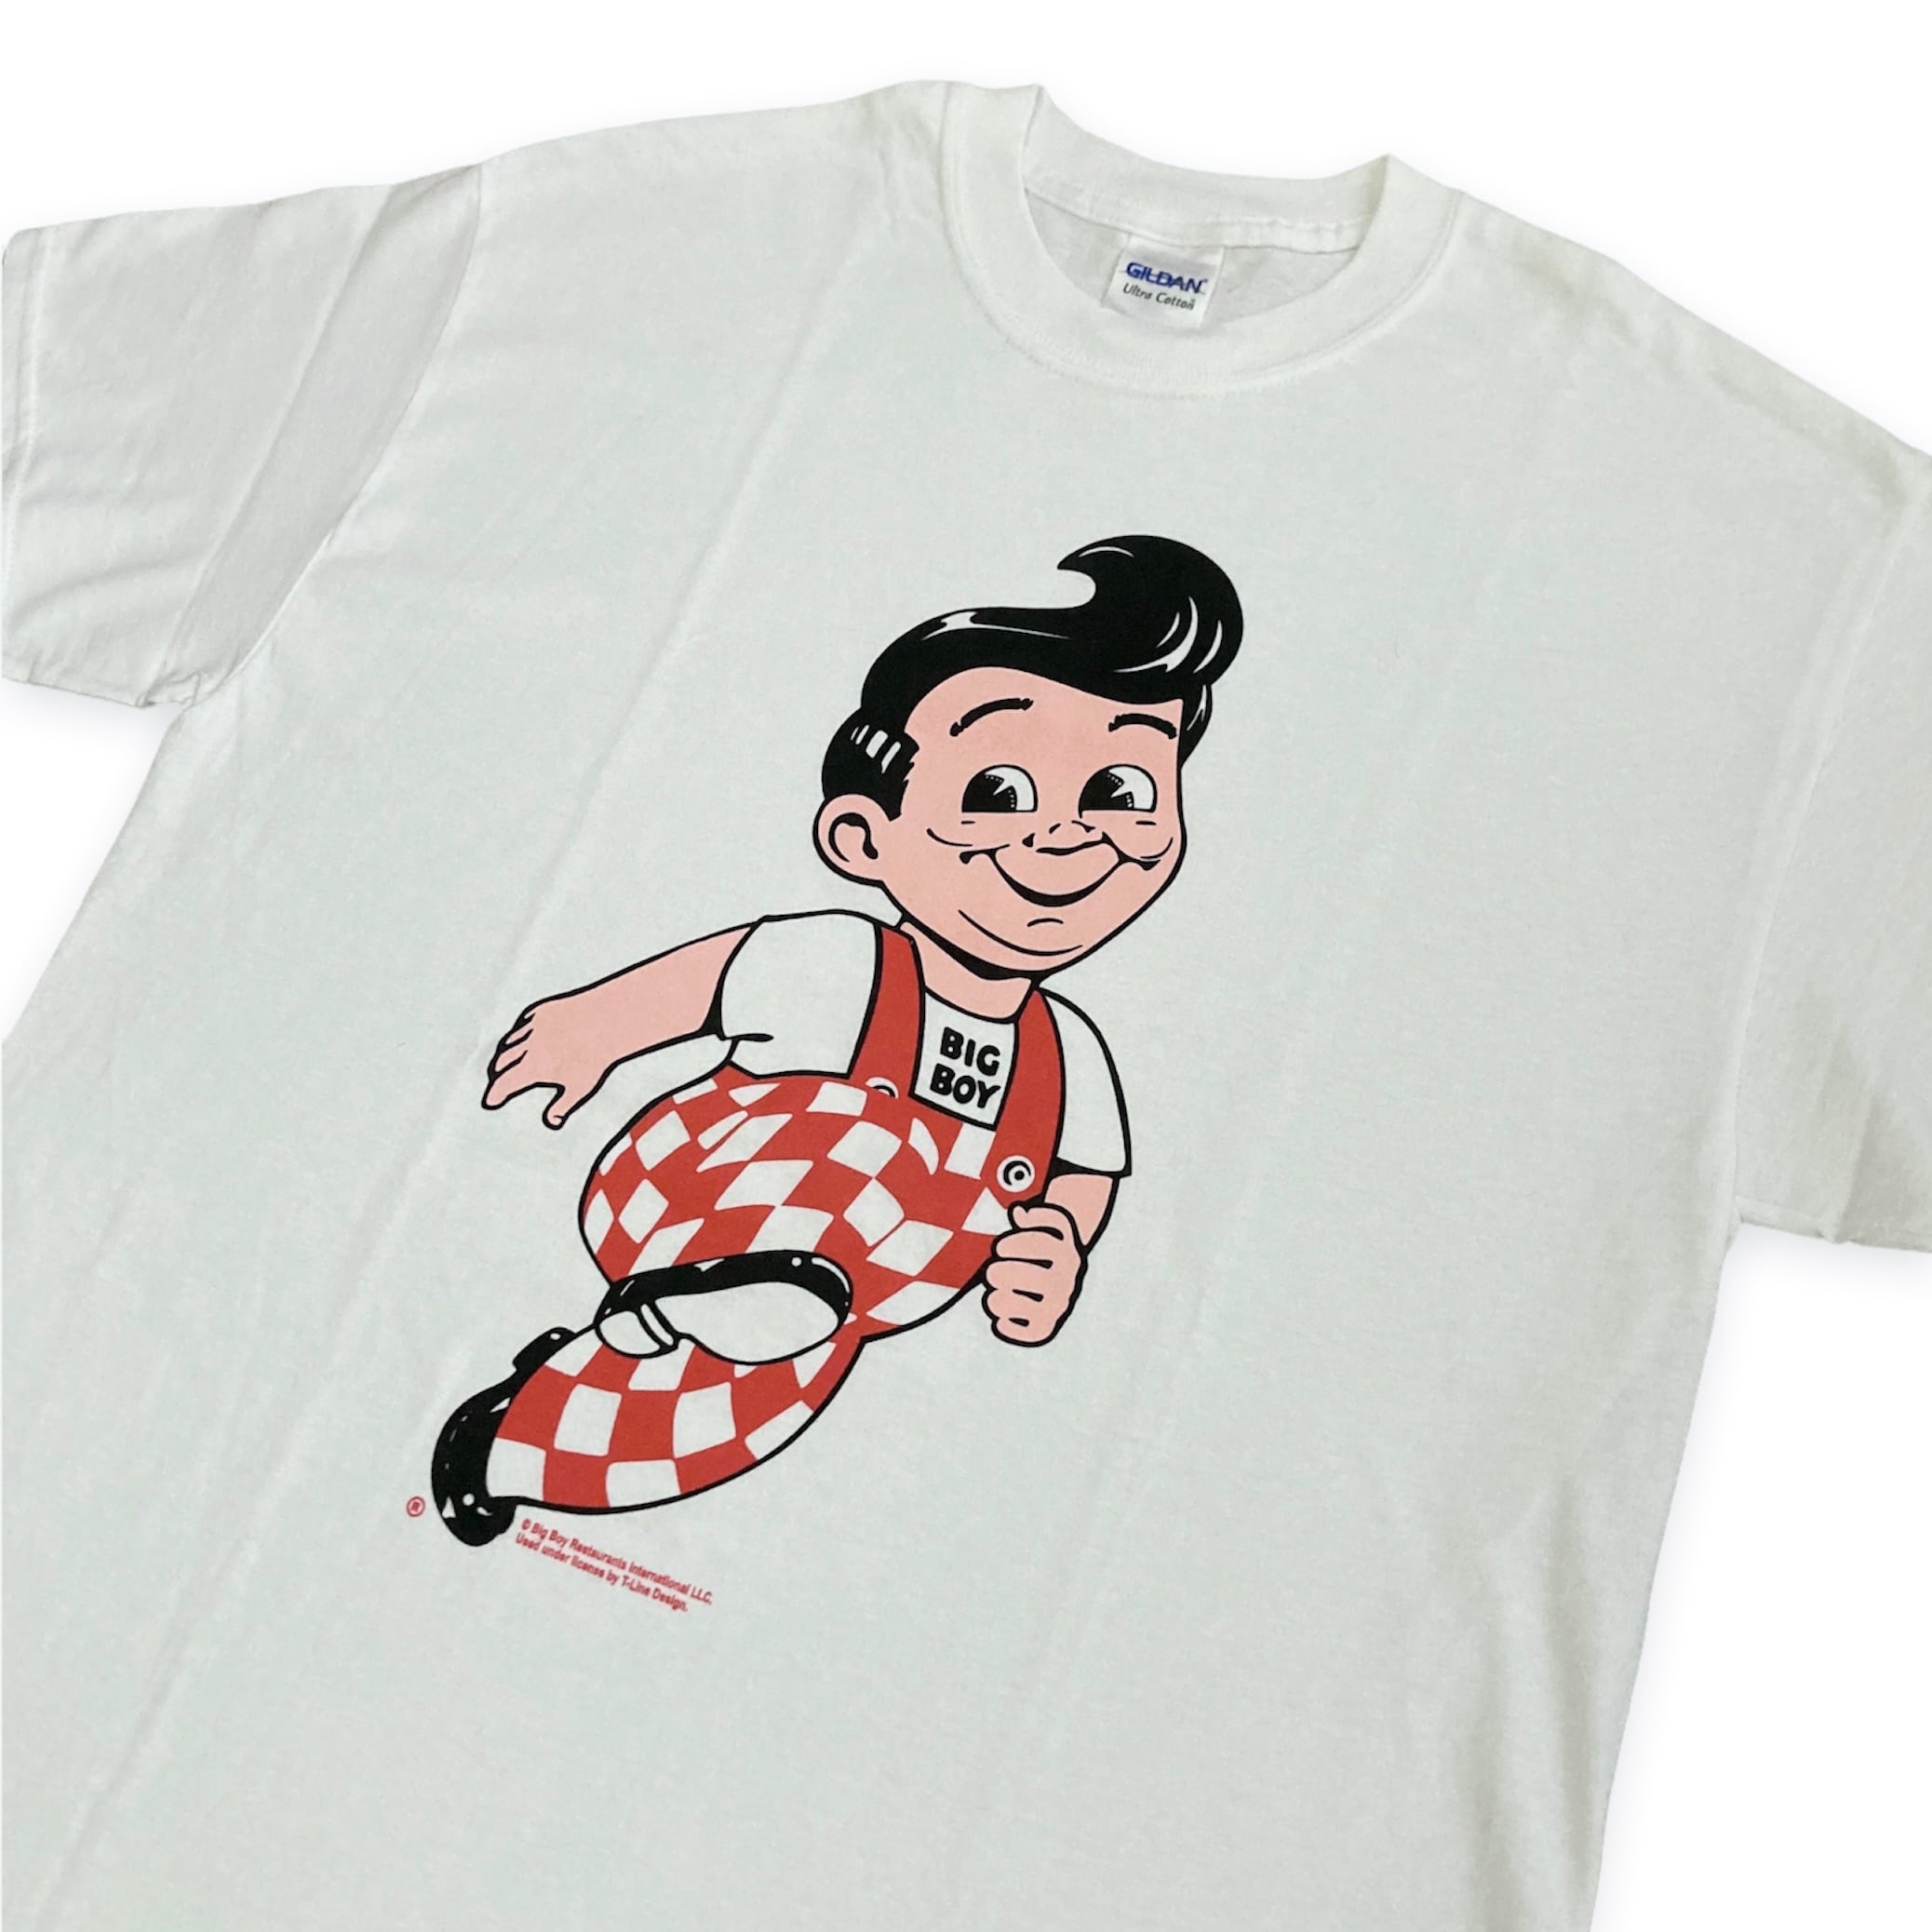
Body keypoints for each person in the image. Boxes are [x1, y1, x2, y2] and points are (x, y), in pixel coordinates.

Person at [432, 533, 1242, 1543]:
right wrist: (589, 1028)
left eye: (1121, 792)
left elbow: (1082, 1179)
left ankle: (503, 1447)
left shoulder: (1070, 1054)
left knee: (722, 1427)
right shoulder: (841, 961)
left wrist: (1058, 1248)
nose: (1067, 833)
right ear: (862, 837)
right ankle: (684, 1294)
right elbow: (704, 982)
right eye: (998, 793)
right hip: (689, 1195)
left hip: (845, 1309)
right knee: (841, 1173)